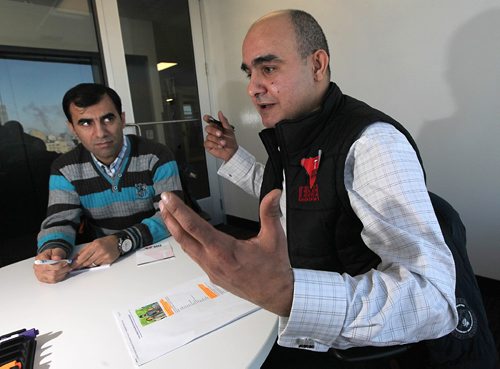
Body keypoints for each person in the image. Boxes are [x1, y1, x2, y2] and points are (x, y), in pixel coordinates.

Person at [159, 9, 495, 368]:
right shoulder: (291, 134)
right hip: (311, 334)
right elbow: (294, 201)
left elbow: (434, 301)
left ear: (317, 65)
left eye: (268, 69)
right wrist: (232, 155)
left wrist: (290, 293)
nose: (253, 87)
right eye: (250, 72)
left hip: (362, 353)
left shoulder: (372, 144)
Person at [34, 83, 183, 284]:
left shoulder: (157, 155)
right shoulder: (64, 168)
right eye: (86, 123)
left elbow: (173, 217)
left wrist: (121, 242)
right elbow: (60, 221)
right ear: (72, 128)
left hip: (161, 253)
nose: (100, 132)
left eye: (108, 118)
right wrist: (53, 252)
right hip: (107, 267)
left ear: (122, 119)